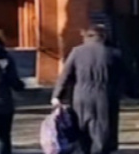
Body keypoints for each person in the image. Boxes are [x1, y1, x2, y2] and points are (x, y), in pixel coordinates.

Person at [51, 24, 125, 154]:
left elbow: (66, 75)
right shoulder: (114, 53)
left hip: (81, 96)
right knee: (103, 129)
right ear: (104, 36)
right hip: (105, 96)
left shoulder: (77, 52)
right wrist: (124, 92)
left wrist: (57, 95)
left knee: (82, 128)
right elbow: (124, 76)